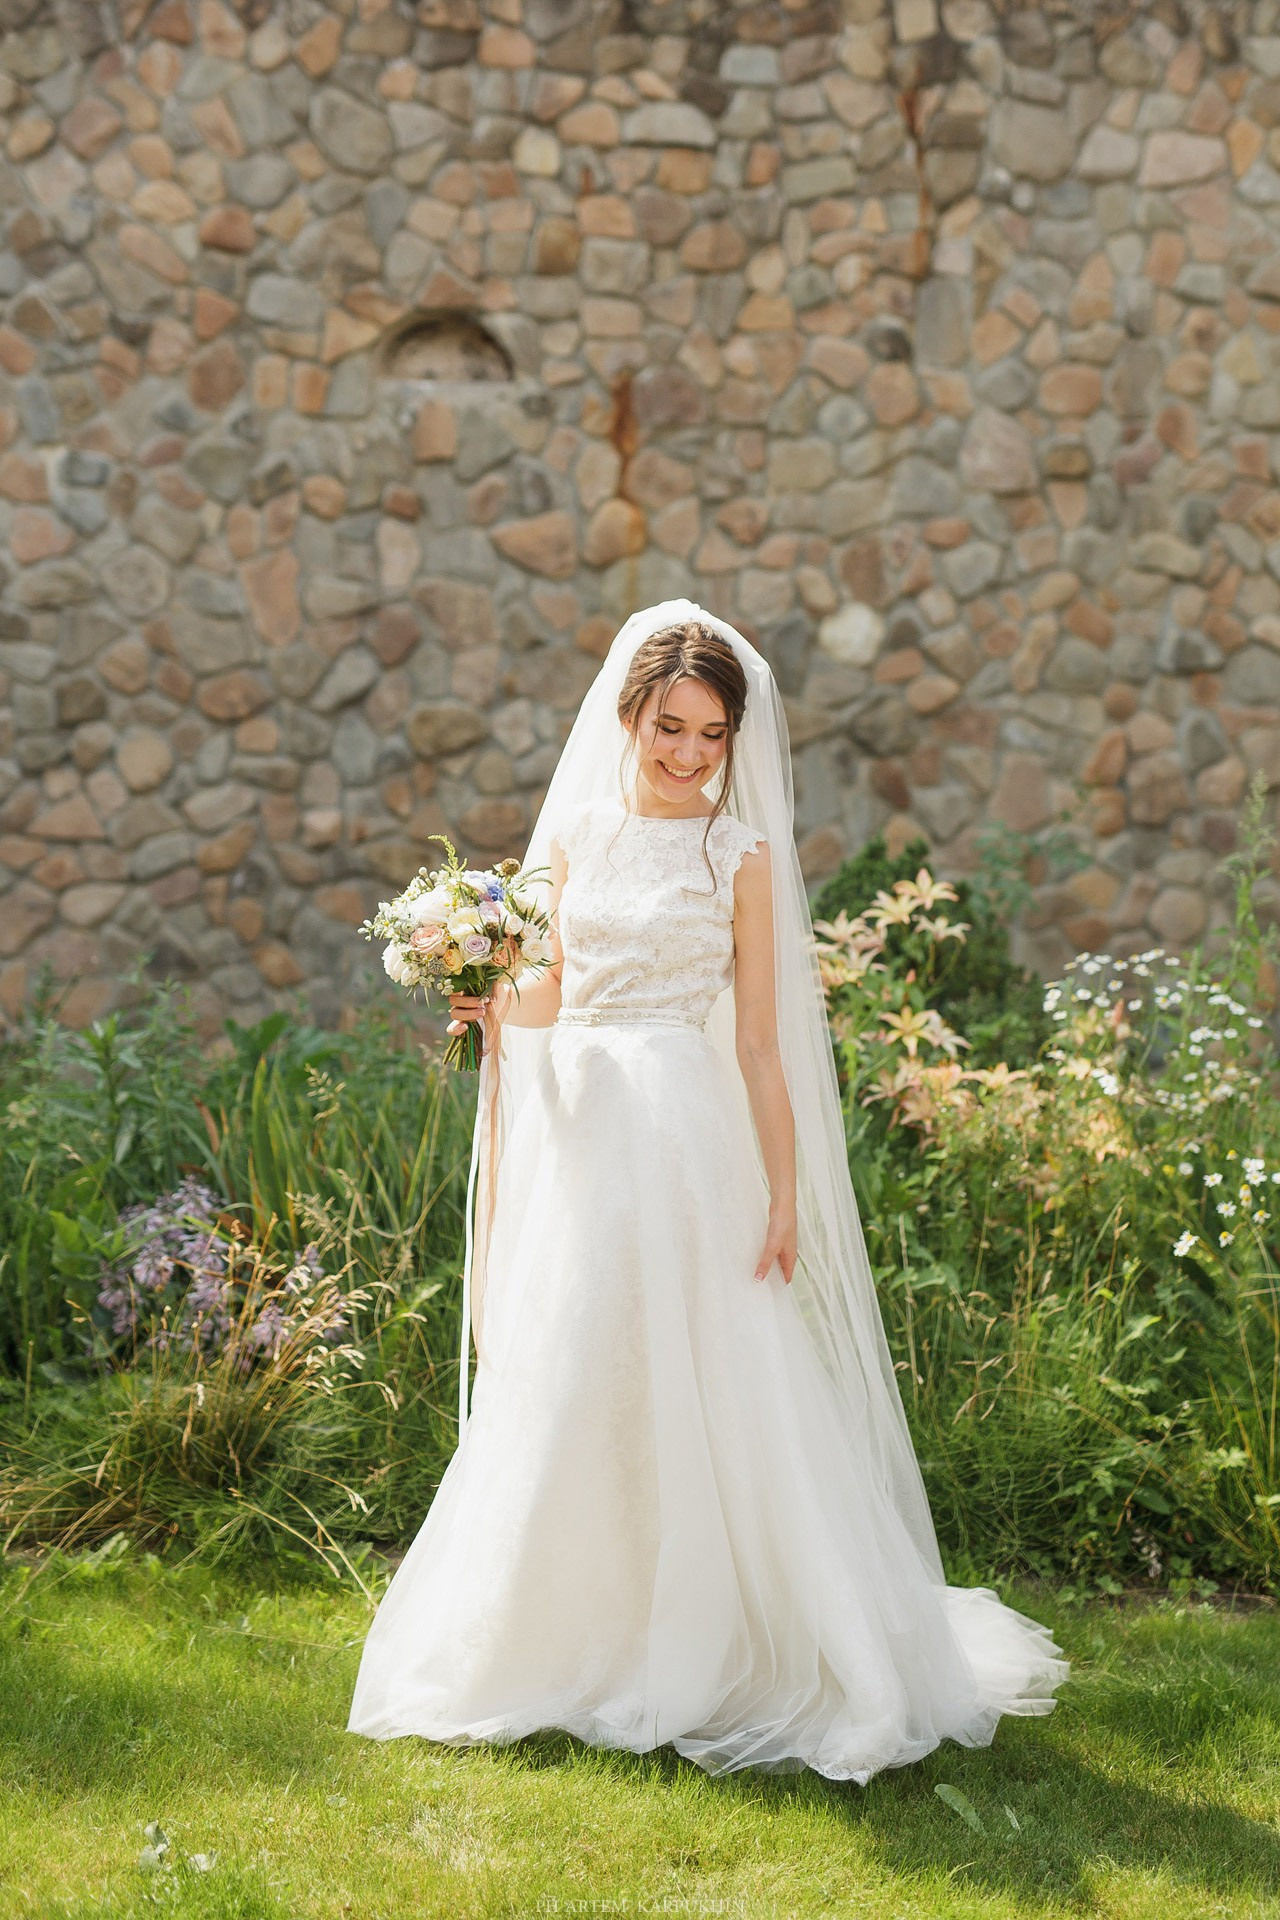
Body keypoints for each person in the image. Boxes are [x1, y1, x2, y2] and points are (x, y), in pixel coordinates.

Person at [346, 599, 1068, 1782]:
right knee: (575, 1366)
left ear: (735, 740)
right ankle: (565, 1634)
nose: (688, 755)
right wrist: (486, 999)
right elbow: (551, 996)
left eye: (711, 735)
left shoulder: (739, 854)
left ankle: (725, 1642)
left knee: (709, 1376)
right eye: (668, 727)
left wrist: (780, 1195)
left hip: (684, 1132)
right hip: (584, 1129)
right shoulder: (573, 834)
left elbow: (760, 1046)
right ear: (627, 717)